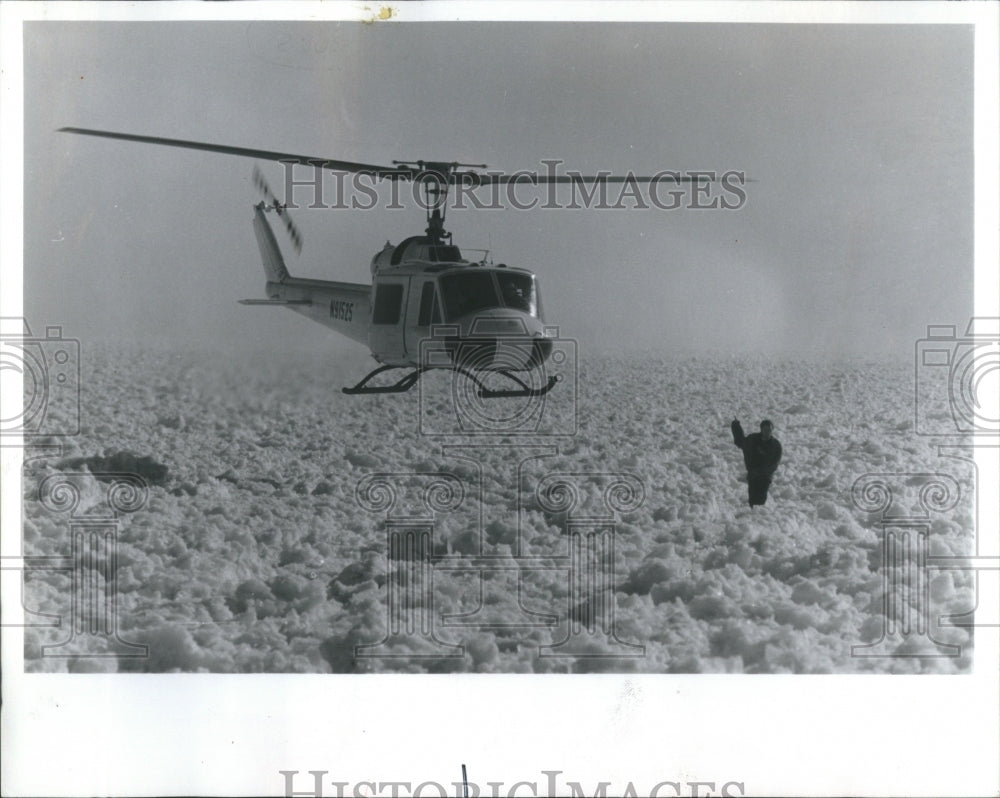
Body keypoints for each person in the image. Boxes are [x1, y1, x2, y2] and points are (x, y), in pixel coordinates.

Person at [731, 419, 782, 507]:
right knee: (753, 501)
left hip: (765, 477)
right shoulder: (753, 440)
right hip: (753, 476)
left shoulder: (776, 445)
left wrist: (763, 472)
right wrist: (736, 427)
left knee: (760, 501)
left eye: (769, 430)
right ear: (761, 429)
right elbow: (741, 442)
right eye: (765, 429)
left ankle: (760, 517)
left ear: (772, 430)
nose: (767, 432)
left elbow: (775, 463)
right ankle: (753, 517)